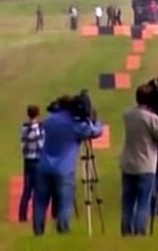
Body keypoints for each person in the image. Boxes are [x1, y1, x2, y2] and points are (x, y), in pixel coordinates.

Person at [31, 97, 103, 235]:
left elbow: (43, 125)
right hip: (64, 169)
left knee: (40, 202)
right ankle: (63, 230)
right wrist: (95, 121)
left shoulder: (50, 119)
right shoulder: (75, 125)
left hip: (43, 165)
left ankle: (38, 231)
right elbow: (94, 132)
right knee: (65, 202)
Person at [120, 85, 158, 235]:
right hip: (145, 165)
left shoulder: (128, 114)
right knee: (144, 201)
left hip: (128, 163)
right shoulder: (152, 118)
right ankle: (139, 230)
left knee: (128, 201)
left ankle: (126, 230)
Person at [18, 105, 44, 222]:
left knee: (27, 189)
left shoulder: (24, 127)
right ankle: (36, 214)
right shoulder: (39, 128)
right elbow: (41, 144)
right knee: (38, 189)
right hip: (37, 159)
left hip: (27, 160)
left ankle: (22, 215)